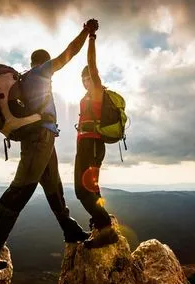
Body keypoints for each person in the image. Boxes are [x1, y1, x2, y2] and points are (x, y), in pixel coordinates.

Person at [0, 19, 99, 270]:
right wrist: (86, 32)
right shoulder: (41, 73)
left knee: (54, 189)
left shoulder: (26, 78)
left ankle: (70, 230)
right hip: (38, 141)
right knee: (20, 191)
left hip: (44, 140)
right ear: (43, 62)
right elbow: (68, 54)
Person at [75, 24, 119, 249]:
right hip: (87, 143)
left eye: (88, 77)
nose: (86, 80)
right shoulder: (87, 96)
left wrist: (91, 37)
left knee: (81, 190)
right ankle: (101, 220)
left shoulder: (97, 91)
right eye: (83, 78)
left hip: (92, 143)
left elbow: (92, 65)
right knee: (91, 187)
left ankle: (105, 230)